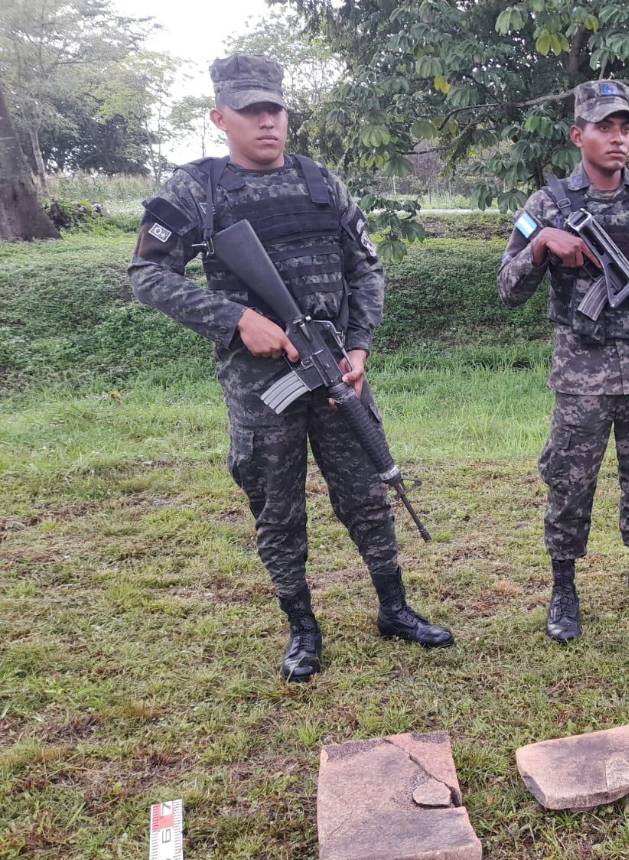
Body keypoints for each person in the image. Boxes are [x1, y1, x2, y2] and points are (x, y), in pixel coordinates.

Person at [128, 55, 453, 683]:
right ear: (220, 117)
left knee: (366, 495)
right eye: (251, 111)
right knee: (277, 509)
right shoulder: (197, 189)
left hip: (337, 373)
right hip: (262, 389)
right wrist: (235, 320)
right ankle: (303, 628)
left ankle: (395, 608)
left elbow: (366, 270)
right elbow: (146, 274)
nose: (266, 122)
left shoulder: (322, 182)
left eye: (274, 109)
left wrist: (358, 348)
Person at [497, 79, 629, 644]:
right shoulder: (547, 205)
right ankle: (564, 585)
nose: (618, 139)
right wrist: (542, 246)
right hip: (582, 372)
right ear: (578, 134)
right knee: (570, 478)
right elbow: (507, 287)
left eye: (625, 128)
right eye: (605, 127)